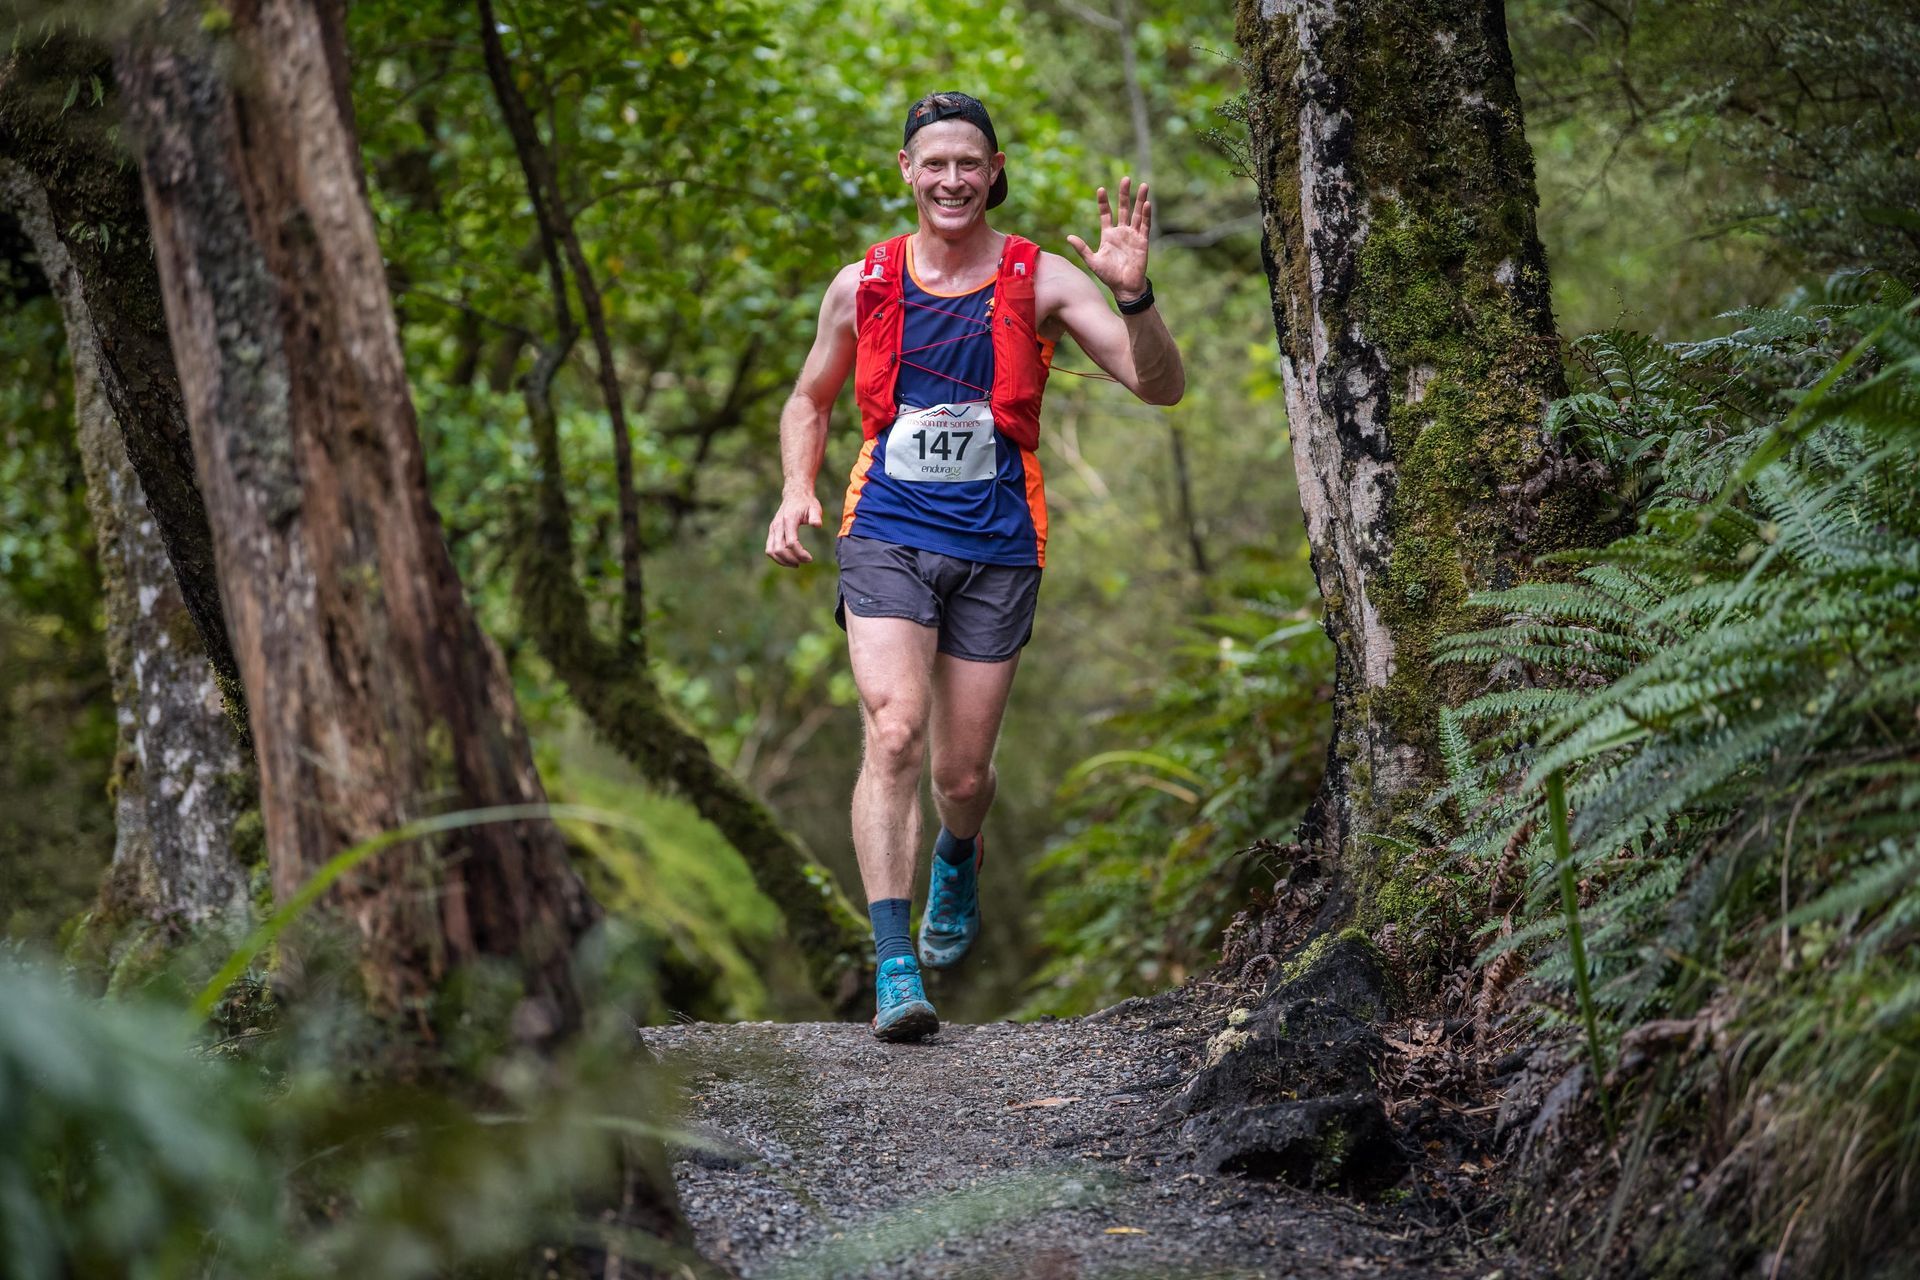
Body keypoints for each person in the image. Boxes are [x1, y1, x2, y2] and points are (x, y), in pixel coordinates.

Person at [765, 91, 1185, 1040]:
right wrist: (795, 489)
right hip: (885, 528)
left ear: (993, 172)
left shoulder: (1043, 279)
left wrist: (1134, 294)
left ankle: (960, 854)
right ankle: (893, 964)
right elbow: (808, 397)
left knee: (960, 777)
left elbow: (1160, 386)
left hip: (998, 542)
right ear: (906, 171)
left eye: (969, 163)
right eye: (935, 163)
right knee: (893, 731)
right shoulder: (862, 283)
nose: (951, 179)